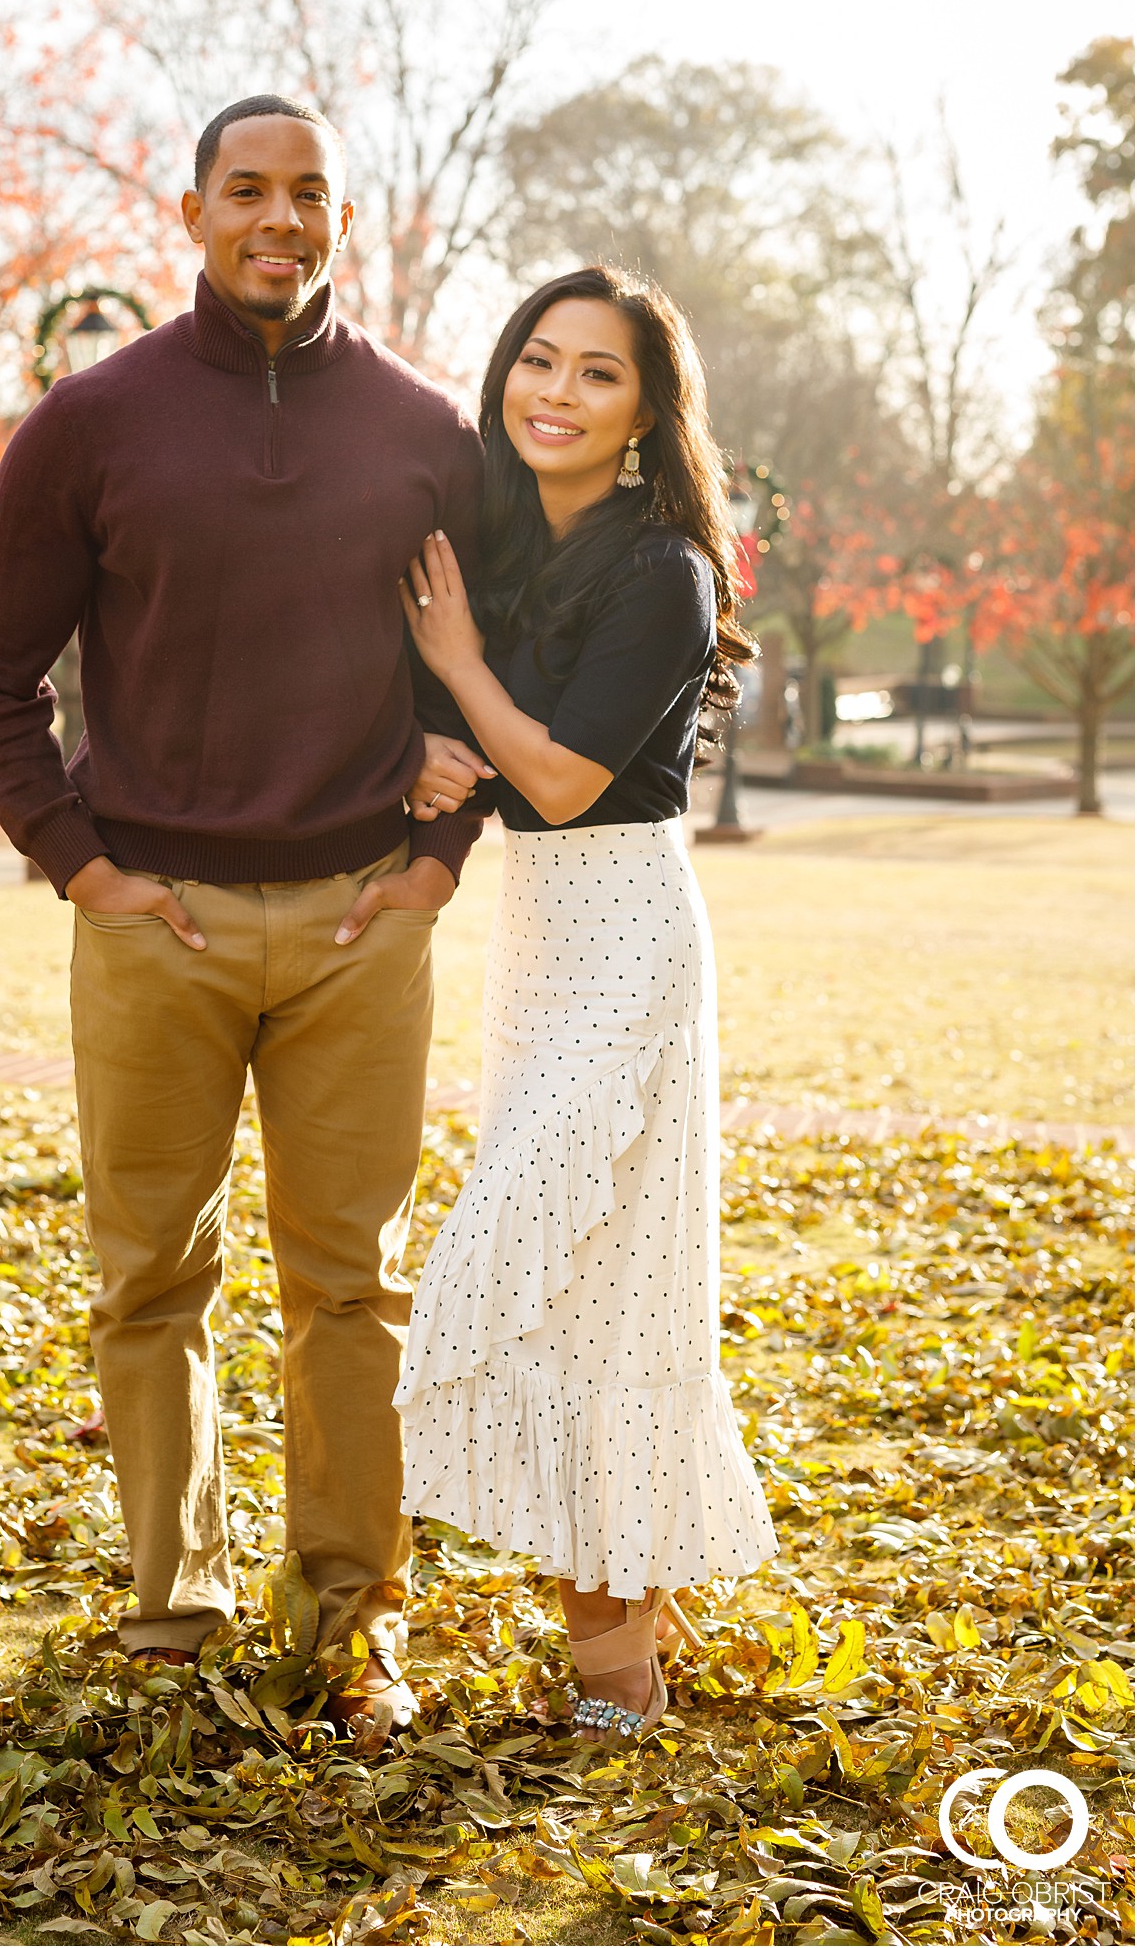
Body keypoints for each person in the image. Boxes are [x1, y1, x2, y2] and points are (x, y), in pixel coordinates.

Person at [0, 94, 491, 1754]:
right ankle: (171, 1611)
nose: (280, 215)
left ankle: (349, 1627)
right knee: (150, 1281)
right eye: (247, 189)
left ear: (341, 215)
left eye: (308, 191)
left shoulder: (421, 432)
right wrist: (87, 870)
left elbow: (487, 675)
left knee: (353, 1289)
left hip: (355, 929)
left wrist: (434, 864)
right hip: (150, 926)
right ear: (190, 212)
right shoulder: (91, 422)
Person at [394, 266, 777, 1746]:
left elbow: (554, 776)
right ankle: (618, 1616)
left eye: (596, 373)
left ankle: (617, 1626)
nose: (554, 391)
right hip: (533, 941)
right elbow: (474, 750)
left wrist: (460, 681)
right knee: (577, 1288)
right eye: (535, 361)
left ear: (645, 409)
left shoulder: (669, 567)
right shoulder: (493, 548)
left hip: (628, 937)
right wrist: (434, 742)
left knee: (559, 1273)